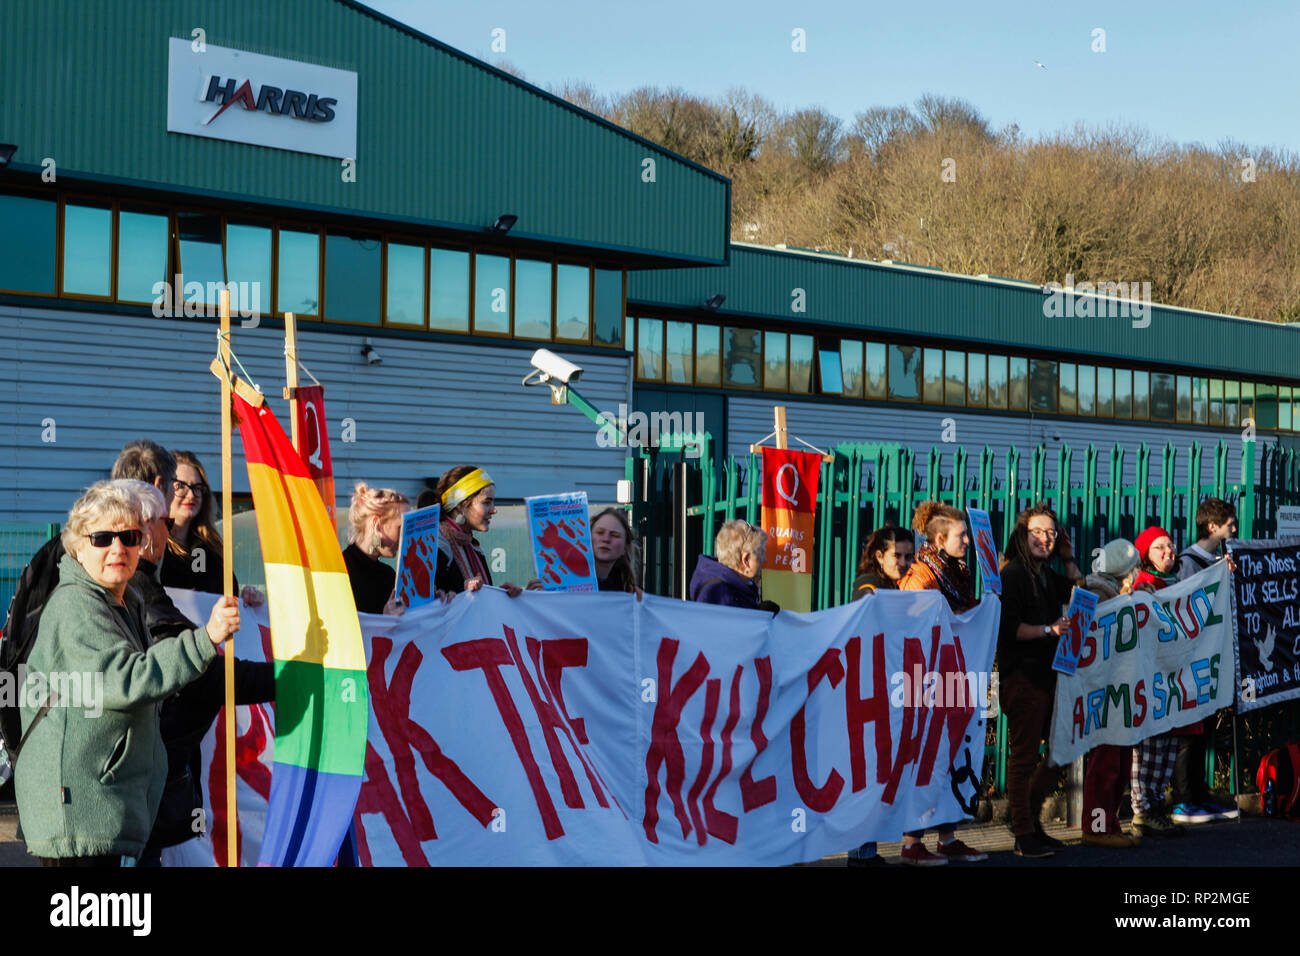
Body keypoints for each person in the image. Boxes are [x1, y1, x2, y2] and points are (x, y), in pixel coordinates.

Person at [15, 482, 239, 865]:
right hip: (80, 815)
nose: (118, 548)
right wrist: (206, 639)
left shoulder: (122, 599)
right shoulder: (76, 603)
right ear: (78, 547)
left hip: (102, 808)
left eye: (129, 536)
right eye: (102, 537)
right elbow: (125, 680)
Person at [117, 479, 275, 866]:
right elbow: (207, 675)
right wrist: (290, 678)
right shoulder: (138, 598)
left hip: (147, 779)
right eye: (161, 521)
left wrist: (246, 600)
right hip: (138, 783)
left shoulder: (145, 588)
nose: (169, 528)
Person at [892, 502, 987, 864]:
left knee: (953, 753)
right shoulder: (922, 576)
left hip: (953, 676)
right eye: (961, 536)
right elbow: (914, 627)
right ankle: (911, 842)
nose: (967, 541)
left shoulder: (954, 570)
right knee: (927, 757)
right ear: (940, 538)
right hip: (927, 680)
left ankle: (947, 837)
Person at [997, 502, 1081, 859]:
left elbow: (1080, 593)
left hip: (1048, 676)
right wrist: (1050, 629)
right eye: (1037, 532)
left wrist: (1068, 556)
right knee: (1024, 758)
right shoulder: (1013, 574)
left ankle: (1027, 820)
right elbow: (1010, 630)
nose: (1044, 539)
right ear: (1022, 534)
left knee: (1061, 751)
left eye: (1050, 532)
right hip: (1023, 677)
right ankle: (1023, 831)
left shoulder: (1045, 574)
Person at [845, 525, 914, 868]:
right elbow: (867, 608)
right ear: (878, 556)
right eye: (896, 556)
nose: (903, 562)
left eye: (908, 556)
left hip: (882, 690)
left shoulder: (891, 586)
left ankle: (865, 851)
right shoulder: (869, 585)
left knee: (877, 772)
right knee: (867, 773)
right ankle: (860, 854)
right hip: (866, 693)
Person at [1170, 498, 1240, 825]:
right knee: (1189, 730)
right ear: (1212, 526)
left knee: (1203, 729)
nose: (1234, 529)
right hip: (1190, 659)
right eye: (1229, 523)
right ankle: (1183, 799)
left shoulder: (1213, 560)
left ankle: (1198, 794)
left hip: (1209, 658)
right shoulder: (1189, 562)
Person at [1079, 538, 1142, 848]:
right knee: (1105, 764)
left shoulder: (1116, 592)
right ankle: (1096, 826)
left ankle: (1111, 822)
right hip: (1104, 689)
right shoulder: (1096, 593)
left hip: (1119, 687)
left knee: (1119, 763)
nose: (1137, 573)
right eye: (1133, 567)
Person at [1128, 526, 1185, 839]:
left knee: (1167, 744)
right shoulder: (1143, 585)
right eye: (1160, 547)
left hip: (1171, 676)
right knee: (1149, 745)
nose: (1168, 552)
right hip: (1150, 676)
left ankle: (1155, 802)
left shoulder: (1175, 582)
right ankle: (1143, 809)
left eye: (1171, 546)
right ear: (1146, 554)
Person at [162, 450, 262, 607]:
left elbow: (223, 596)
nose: (191, 495)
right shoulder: (151, 548)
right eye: (180, 486)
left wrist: (245, 599)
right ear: (163, 489)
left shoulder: (208, 550)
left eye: (197, 487)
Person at [433, 466, 522, 596]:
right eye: (486, 502)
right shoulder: (435, 546)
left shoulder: (472, 546)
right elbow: (431, 603)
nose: (494, 510)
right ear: (460, 506)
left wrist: (501, 594)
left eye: (493, 502)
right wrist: (464, 590)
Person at [341, 483, 410, 614]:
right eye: (401, 528)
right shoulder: (341, 574)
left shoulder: (389, 575)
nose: (406, 537)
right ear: (377, 525)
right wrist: (383, 619)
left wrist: (434, 603)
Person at [689, 520, 777, 611]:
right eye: (761, 553)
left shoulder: (727, 587)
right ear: (746, 560)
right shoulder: (718, 593)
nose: (765, 559)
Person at [591, 507, 639, 593]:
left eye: (615, 535)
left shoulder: (628, 592)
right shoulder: (566, 582)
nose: (606, 539)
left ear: (625, 548)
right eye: (600, 532)